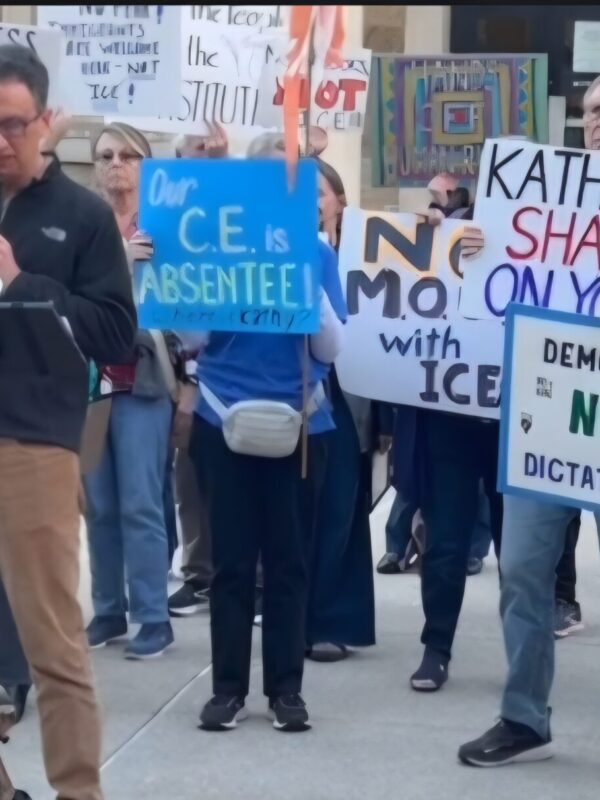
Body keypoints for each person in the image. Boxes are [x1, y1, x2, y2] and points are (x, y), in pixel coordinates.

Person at [0, 43, 136, 800]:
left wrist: (21, 283)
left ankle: (77, 790)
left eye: (12, 125)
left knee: (51, 640)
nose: (0, 141)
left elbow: (115, 333)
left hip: (31, 446)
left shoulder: (80, 217)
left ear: (44, 122)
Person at [458, 77, 600, 767]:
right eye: (593, 110)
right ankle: (524, 717)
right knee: (519, 568)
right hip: (546, 419)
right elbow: (493, 295)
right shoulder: (537, 207)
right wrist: (473, 251)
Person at [192, 139, 345, 733]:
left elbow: (332, 348)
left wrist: (307, 279)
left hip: (300, 425)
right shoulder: (216, 249)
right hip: (222, 418)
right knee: (230, 564)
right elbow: (192, 340)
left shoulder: (318, 252)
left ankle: (286, 690)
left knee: (288, 563)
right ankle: (227, 690)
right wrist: (155, 271)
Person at [83, 123, 176, 660]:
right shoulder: (87, 225)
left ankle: (152, 616)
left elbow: (189, 300)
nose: (116, 164)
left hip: (143, 374)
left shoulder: (164, 224)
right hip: (91, 376)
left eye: (127, 155)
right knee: (97, 503)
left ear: (146, 164)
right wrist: (119, 256)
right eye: (105, 156)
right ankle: (108, 608)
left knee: (141, 500)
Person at [305, 156, 376, 662]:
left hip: (353, 394)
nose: (309, 202)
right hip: (304, 387)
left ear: (339, 201)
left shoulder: (370, 247)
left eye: (318, 192)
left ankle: (332, 618)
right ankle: (298, 612)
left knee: (342, 507)